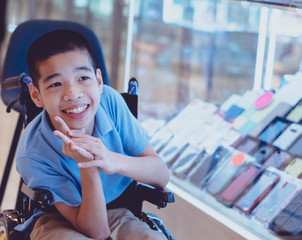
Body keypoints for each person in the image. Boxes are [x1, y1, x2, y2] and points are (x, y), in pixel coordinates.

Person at [15, 29, 170, 240]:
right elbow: (96, 233)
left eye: (83, 78)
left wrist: (112, 160)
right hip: (57, 218)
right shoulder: (32, 153)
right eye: (56, 84)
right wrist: (88, 165)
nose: (73, 93)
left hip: (118, 212)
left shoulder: (111, 104)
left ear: (98, 82)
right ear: (36, 95)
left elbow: (161, 175)